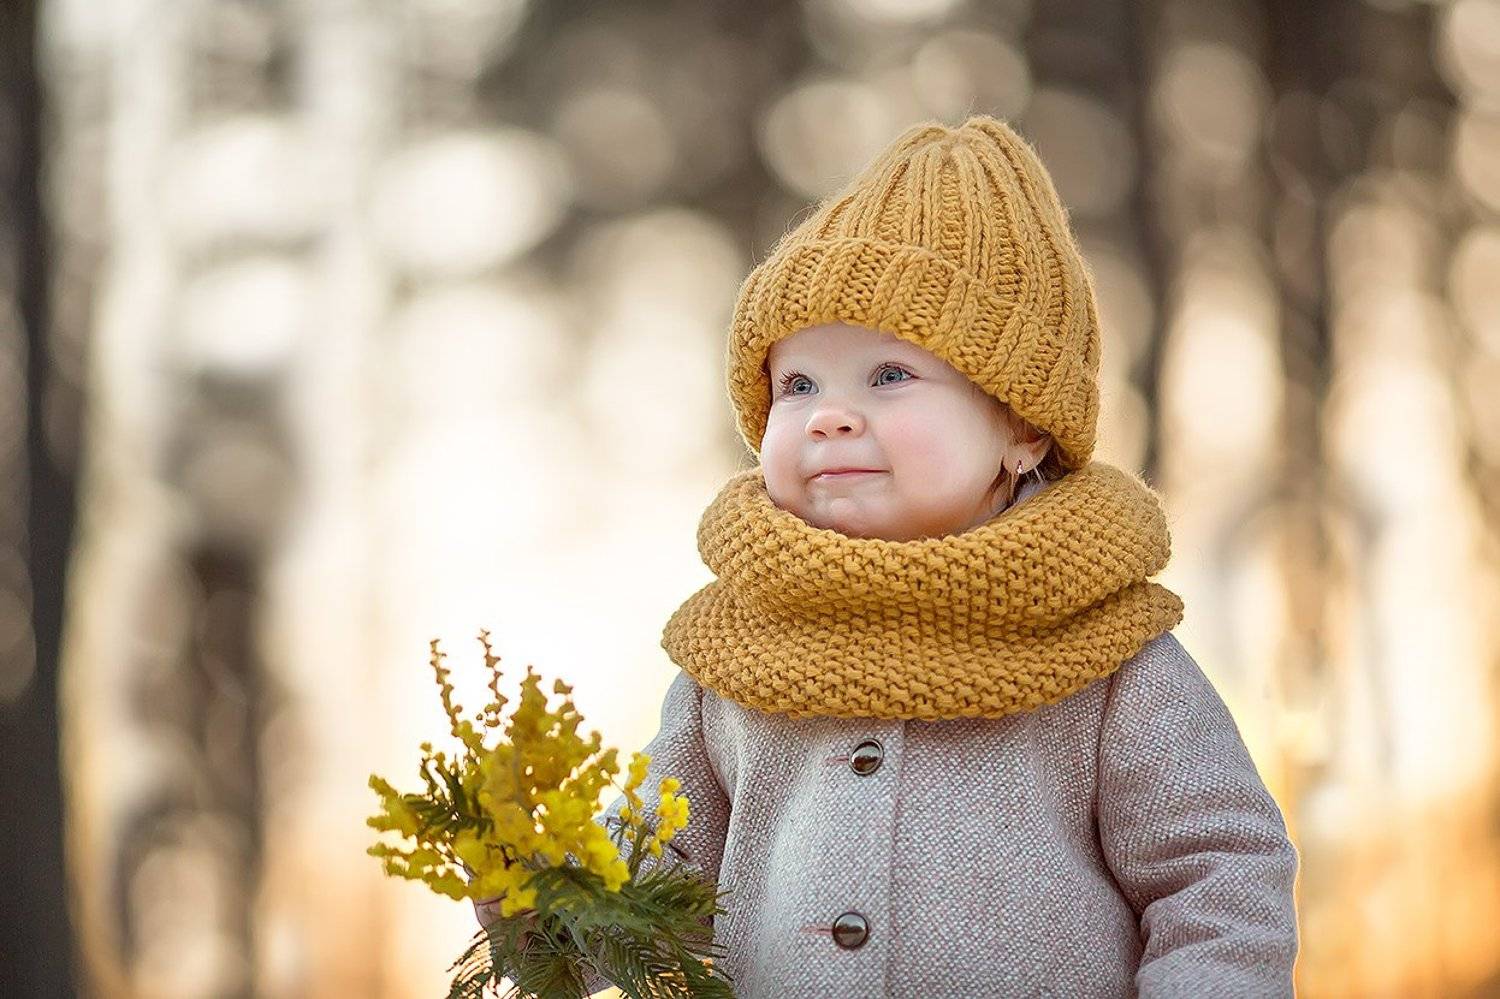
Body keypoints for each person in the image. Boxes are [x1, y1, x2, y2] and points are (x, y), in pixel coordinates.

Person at [475, 114, 1300, 997]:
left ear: (1022, 427)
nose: (830, 415)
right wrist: (536, 894)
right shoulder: (736, 656)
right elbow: (651, 886)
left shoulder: (1105, 652)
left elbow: (1219, 877)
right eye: (798, 385)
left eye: (890, 375)